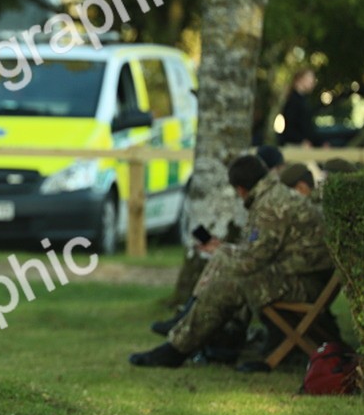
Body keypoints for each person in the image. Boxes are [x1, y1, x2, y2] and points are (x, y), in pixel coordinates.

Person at [130, 155, 334, 368]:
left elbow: (252, 261)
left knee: (230, 282)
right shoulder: (275, 195)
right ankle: (203, 336)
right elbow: (261, 253)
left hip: (306, 286)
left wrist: (223, 253)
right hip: (304, 278)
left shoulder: (270, 205)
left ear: (241, 190)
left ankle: (178, 346)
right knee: (228, 264)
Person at [278, 68, 322, 147]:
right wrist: (301, 141)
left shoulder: (302, 100)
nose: (312, 82)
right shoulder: (293, 101)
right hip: (296, 145)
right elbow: (291, 126)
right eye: (310, 78)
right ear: (300, 79)